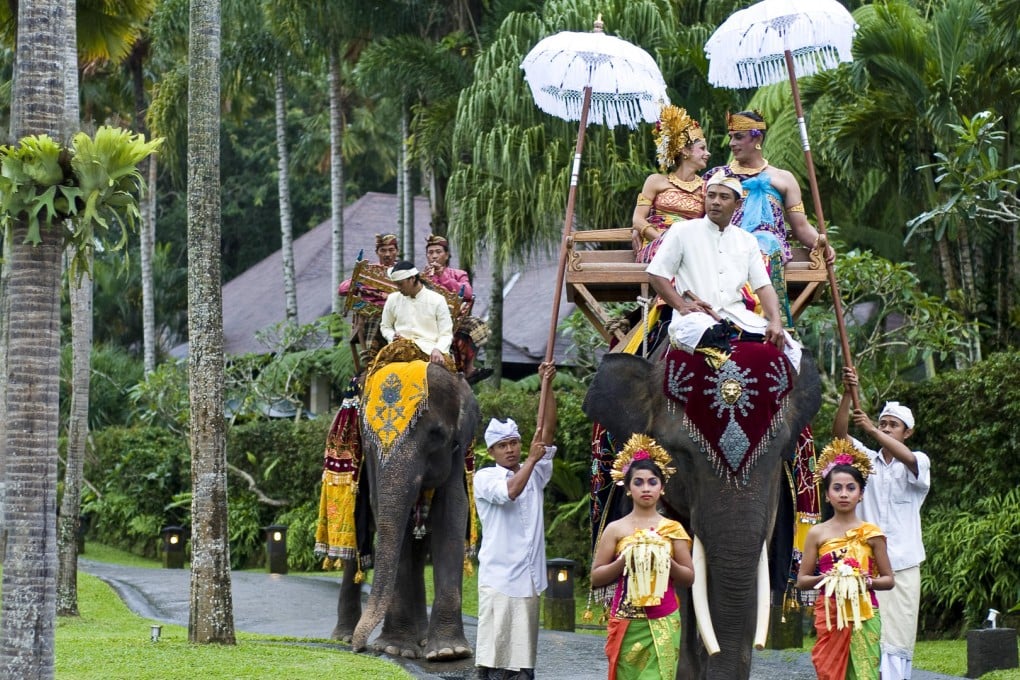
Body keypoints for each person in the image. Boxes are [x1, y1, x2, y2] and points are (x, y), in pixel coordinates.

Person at [646, 168, 802, 371]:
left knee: (791, 349)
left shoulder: (747, 240)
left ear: (737, 205)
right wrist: (682, 307)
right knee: (700, 333)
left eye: (723, 197)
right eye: (711, 196)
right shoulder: (682, 231)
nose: (715, 202)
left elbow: (763, 286)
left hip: (737, 316)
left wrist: (775, 321)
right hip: (695, 319)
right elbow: (656, 273)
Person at [834, 367, 931, 680]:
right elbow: (838, 435)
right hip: (865, 564)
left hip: (903, 565)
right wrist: (849, 394)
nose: (887, 429)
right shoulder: (865, 460)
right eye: (884, 423)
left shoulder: (918, 459)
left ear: (907, 433)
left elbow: (909, 460)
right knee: (864, 631)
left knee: (898, 638)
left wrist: (873, 431)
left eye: (894, 426)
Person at [705, 110, 835, 327]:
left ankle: (769, 320)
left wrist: (822, 243)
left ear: (757, 138)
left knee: (766, 241)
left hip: (767, 248)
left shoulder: (783, 179)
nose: (731, 143)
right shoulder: (718, 176)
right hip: (725, 243)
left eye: (738, 137)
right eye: (731, 137)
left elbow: (800, 227)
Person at [473, 362, 558, 680]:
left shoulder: (535, 471)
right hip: (499, 578)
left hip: (530, 577)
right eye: (502, 446)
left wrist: (546, 385)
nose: (510, 450)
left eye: (514, 443)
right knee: (495, 662)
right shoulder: (485, 477)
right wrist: (533, 458)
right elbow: (511, 491)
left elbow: (548, 431)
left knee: (523, 665)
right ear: (491, 451)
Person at [590, 434, 694, 680]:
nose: (645, 488)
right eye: (638, 482)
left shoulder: (672, 529)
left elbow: (688, 577)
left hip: (664, 619)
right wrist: (624, 561)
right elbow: (596, 576)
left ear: (662, 487)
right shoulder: (615, 529)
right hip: (626, 621)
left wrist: (666, 562)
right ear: (628, 488)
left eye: (652, 482)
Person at [797, 440, 895, 680]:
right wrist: (827, 579)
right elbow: (802, 581)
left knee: (865, 674)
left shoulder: (872, 533)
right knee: (830, 673)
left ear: (860, 494)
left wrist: (866, 581)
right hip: (830, 612)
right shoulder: (817, 533)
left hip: (865, 613)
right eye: (837, 488)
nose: (843, 494)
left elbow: (889, 580)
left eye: (851, 488)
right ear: (827, 495)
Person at [632, 105, 712, 263]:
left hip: (690, 248)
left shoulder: (707, 188)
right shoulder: (655, 181)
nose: (707, 153)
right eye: (702, 148)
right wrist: (663, 240)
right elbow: (637, 219)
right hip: (656, 247)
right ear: (685, 151)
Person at [422, 233, 492, 381]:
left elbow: (467, 293)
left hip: (455, 321)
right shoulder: (421, 277)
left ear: (446, 255)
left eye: (438, 252)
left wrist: (444, 277)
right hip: (428, 323)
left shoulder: (459, 274)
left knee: (477, 325)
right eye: (430, 252)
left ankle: (469, 369)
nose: (434, 256)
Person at [377, 260, 454, 370]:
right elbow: (385, 326)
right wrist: (392, 336)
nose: (398, 288)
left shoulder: (437, 300)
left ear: (412, 279)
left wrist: (438, 349)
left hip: (430, 350)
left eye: (400, 284)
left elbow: (446, 333)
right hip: (400, 349)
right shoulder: (393, 299)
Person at [338, 233, 401, 366]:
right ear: (377, 253)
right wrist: (360, 278)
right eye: (383, 250)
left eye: (391, 250)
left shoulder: (404, 272)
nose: (387, 254)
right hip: (373, 317)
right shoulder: (369, 271)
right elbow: (343, 290)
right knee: (377, 318)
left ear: (397, 251)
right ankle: (372, 361)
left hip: (399, 316)